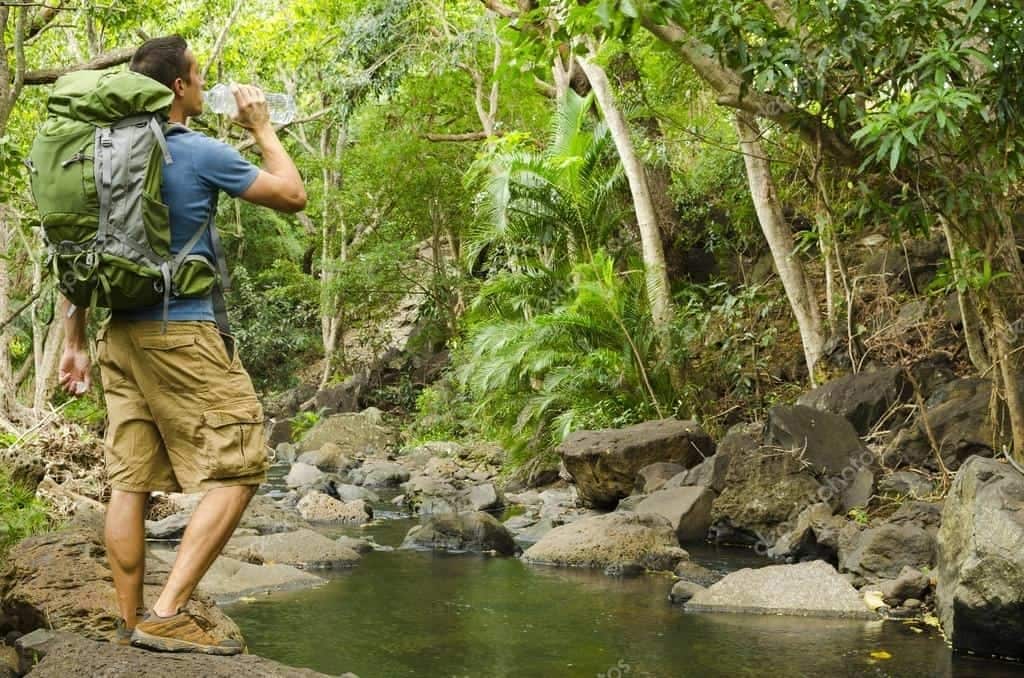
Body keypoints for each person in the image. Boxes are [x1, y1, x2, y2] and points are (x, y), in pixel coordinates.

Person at [57, 35, 306, 655]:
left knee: (131, 480)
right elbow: (293, 196)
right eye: (200, 77)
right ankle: (167, 613)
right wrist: (263, 128)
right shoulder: (197, 152)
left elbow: (76, 252)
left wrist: (74, 340)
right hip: (182, 331)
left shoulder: (101, 152)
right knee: (242, 465)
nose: (205, 86)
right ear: (178, 88)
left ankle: (130, 619)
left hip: (119, 335)